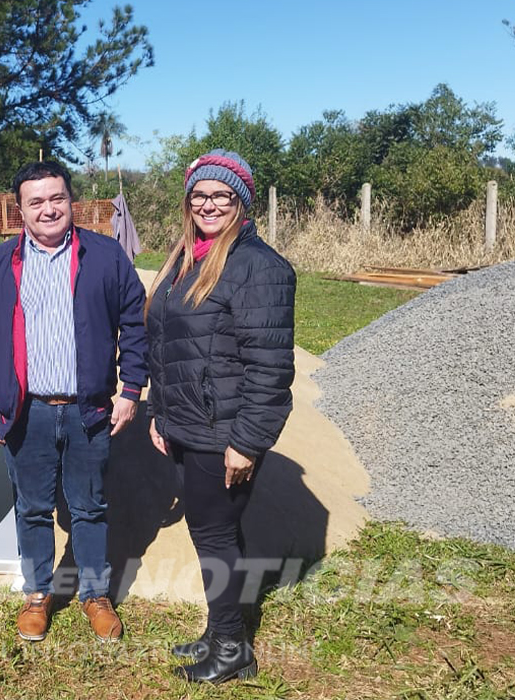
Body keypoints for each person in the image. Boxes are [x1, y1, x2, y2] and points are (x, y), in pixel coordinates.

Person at [0, 161, 148, 643]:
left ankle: (94, 595)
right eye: (36, 201)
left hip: (88, 409)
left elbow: (136, 322)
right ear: (18, 209)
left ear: (72, 200)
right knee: (33, 508)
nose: (48, 209)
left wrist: (130, 390)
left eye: (57, 198)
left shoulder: (105, 256)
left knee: (88, 507)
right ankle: (38, 595)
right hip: (26, 411)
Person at [143, 149, 295, 682]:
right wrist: (161, 416)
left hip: (222, 430)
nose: (209, 204)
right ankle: (221, 629)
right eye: (200, 195)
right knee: (215, 533)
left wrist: (248, 441)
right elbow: (167, 344)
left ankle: (233, 649)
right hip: (187, 423)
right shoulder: (187, 255)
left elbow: (270, 368)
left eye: (221, 195)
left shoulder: (258, 267)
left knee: (215, 536)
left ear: (241, 201)